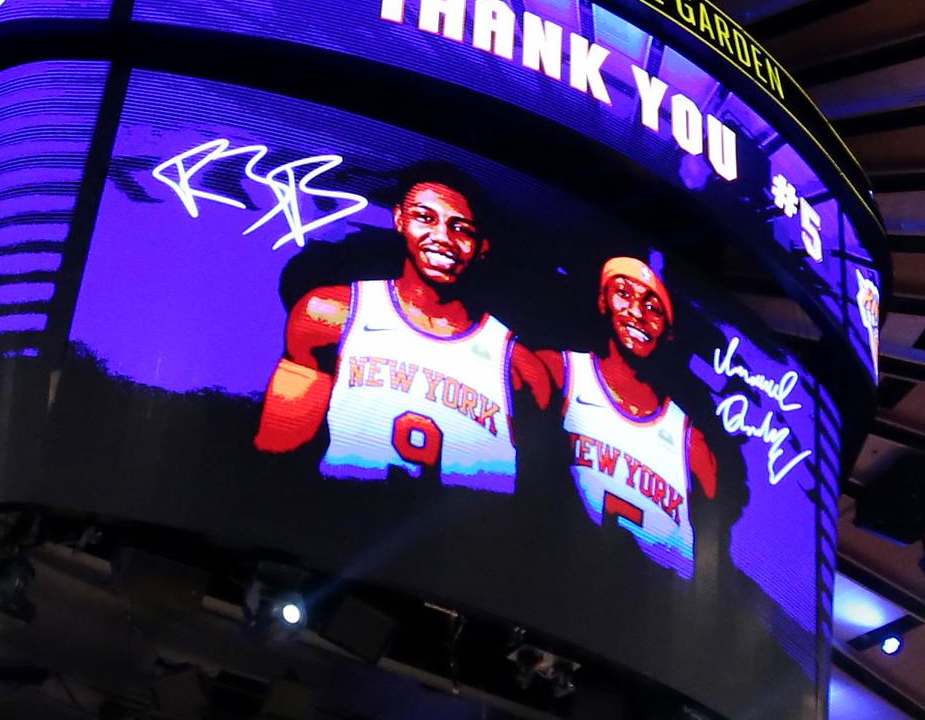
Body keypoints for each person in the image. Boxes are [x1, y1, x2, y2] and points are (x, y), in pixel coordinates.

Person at [256, 171, 558, 490]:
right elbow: (277, 457)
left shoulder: (521, 367)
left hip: (459, 536)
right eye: (425, 218)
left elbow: (537, 498)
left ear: (482, 246)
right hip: (341, 519)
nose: (442, 237)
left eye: (460, 228)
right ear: (399, 219)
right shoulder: (330, 314)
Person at [559, 255, 724, 580]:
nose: (636, 313)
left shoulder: (692, 444)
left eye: (653, 307)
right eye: (624, 293)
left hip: (638, 615)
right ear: (603, 300)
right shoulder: (559, 372)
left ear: (670, 330)